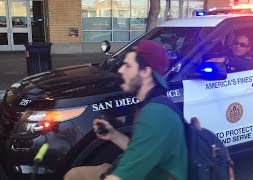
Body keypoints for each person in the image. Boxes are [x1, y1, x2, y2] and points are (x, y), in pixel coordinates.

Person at [64, 40, 188, 180]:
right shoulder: (153, 103)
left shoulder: (155, 114)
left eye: (128, 66)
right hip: (148, 171)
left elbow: (122, 176)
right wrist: (113, 135)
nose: (121, 70)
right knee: (75, 175)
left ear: (145, 72)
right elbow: (140, 151)